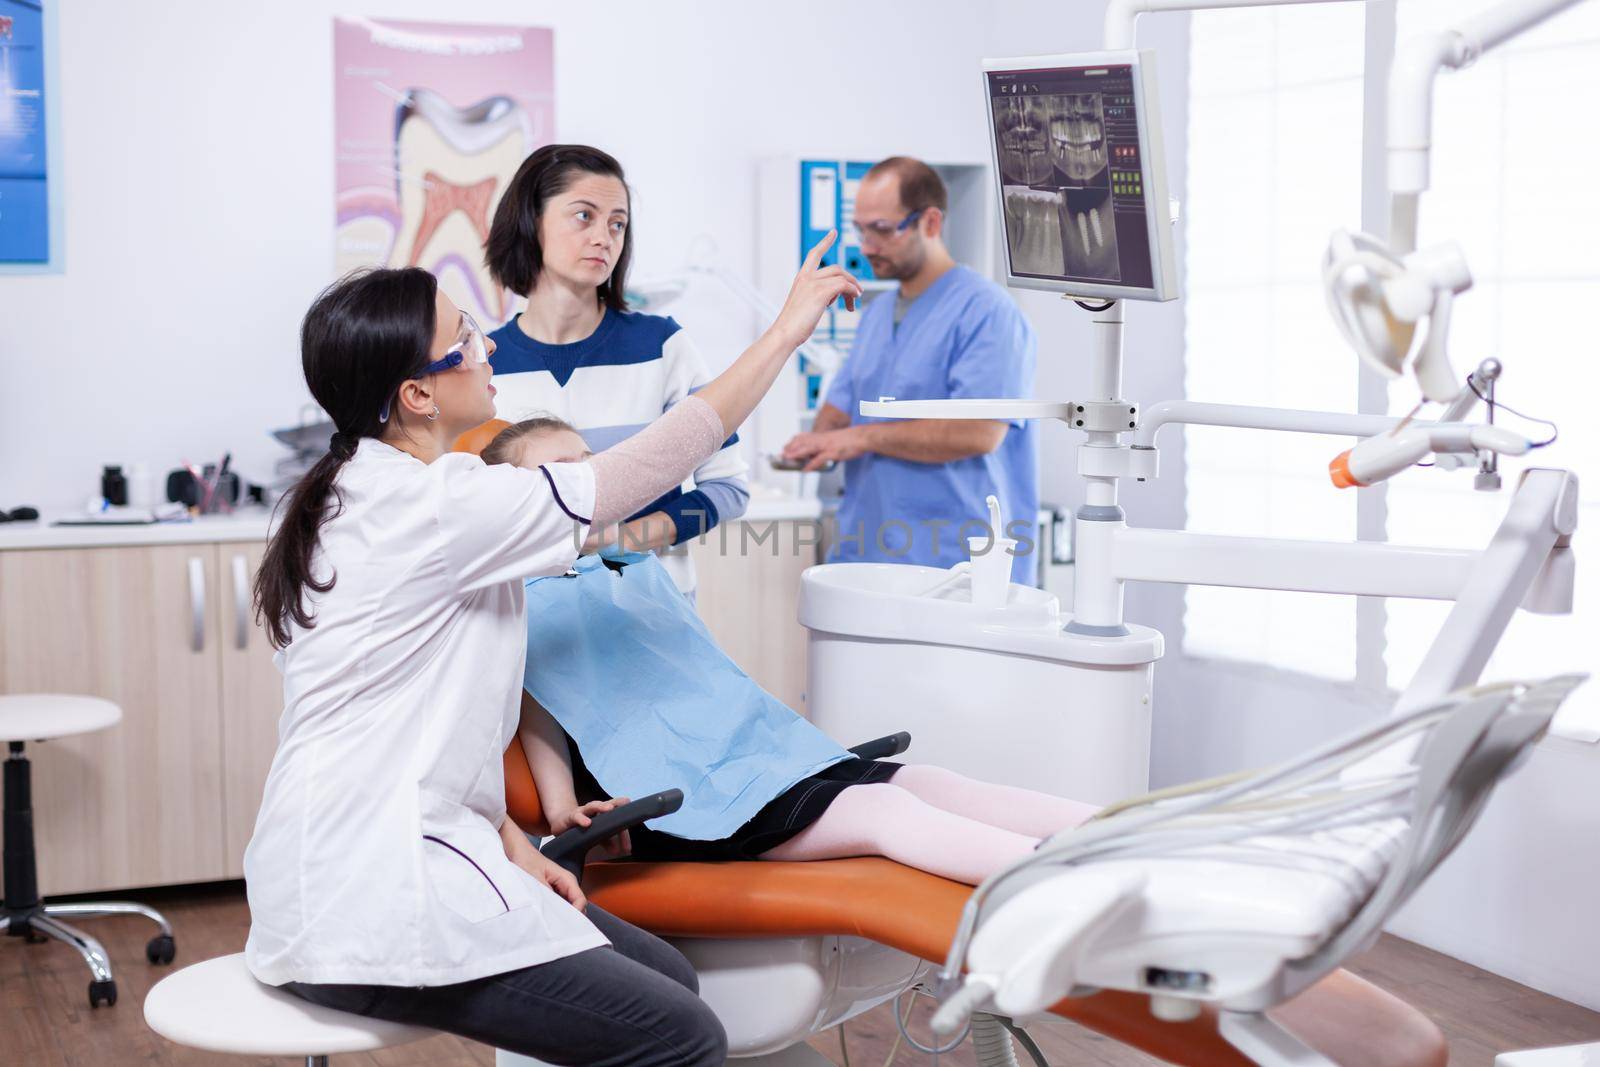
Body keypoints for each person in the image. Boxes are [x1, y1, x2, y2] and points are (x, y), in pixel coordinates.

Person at [243, 231, 860, 1063]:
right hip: (378, 902)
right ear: (418, 393)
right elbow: (643, 467)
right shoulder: (439, 507)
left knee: (670, 977)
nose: (487, 343)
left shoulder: (351, 495)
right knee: (682, 1036)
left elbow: (414, 729)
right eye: (465, 337)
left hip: (339, 868)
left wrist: (512, 850)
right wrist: (786, 333)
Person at [483, 416, 1100, 888]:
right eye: (565, 470)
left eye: (591, 463)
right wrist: (563, 811)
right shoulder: (521, 600)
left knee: (929, 781)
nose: (592, 480)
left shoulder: (627, 566)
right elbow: (543, 708)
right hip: (689, 799)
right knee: (882, 809)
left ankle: (1122, 832)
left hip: (758, 758)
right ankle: (1080, 886)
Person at [484, 144, 747, 596]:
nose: (604, 237)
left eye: (617, 223)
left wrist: (616, 542)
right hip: (529, 628)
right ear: (532, 222)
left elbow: (727, 488)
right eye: (583, 216)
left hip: (653, 618)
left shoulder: (660, 346)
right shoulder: (484, 362)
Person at [781, 157, 1040, 582]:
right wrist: (811, 444)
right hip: (868, 556)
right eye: (861, 230)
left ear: (931, 222)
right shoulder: (876, 313)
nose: (866, 246)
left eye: (882, 229)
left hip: (954, 563)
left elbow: (978, 432)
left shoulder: (988, 313)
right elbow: (841, 410)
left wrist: (856, 439)